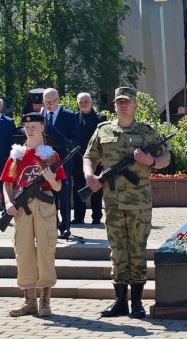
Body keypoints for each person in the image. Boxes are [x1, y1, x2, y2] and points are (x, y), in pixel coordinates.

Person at [83, 87, 170, 319]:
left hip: (139, 203)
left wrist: (150, 160)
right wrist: (89, 176)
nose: (122, 105)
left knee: (137, 251)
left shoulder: (146, 132)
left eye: (127, 102)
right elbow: (89, 156)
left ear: (135, 106)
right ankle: (120, 301)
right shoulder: (103, 130)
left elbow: (166, 158)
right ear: (114, 106)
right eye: (119, 102)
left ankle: (138, 303)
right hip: (112, 203)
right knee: (118, 252)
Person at [0, 112, 66, 317]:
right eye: (27, 127)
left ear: (42, 128)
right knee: (23, 251)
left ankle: (45, 301)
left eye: (34, 126)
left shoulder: (50, 155)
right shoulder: (17, 154)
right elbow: (7, 182)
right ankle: (29, 301)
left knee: (46, 250)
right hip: (22, 208)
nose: (30, 130)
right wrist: (9, 202)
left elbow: (58, 187)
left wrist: (51, 178)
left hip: (44, 206)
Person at [42, 88, 79, 239]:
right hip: (45, 162)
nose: (49, 105)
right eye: (46, 102)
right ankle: (53, 225)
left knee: (63, 195)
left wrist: (66, 144)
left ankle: (65, 227)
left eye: (52, 102)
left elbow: (76, 139)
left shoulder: (69, 115)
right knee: (49, 195)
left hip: (64, 160)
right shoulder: (41, 115)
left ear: (58, 100)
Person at [72, 93, 107, 225]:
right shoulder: (74, 118)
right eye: (81, 102)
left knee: (96, 187)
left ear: (91, 102)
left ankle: (96, 217)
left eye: (86, 102)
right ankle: (78, 217)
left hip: (95, 158)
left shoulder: (100, 118)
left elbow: (104, 138)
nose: (84, 104)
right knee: (78, 188)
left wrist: (103, 156)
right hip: (78, 159)